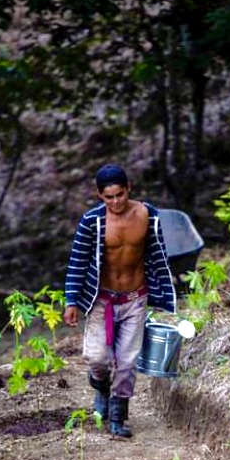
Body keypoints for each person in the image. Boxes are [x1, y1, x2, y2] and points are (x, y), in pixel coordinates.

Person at [63, 164, 176, 438]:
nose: (115, 202)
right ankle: (101, 387)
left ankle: (118, 417)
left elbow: (157, 255)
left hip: (135, 297)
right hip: (102, 299)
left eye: (120, 195)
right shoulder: (92, 221)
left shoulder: (148, 215)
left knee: (127, 361)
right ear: (99, 195)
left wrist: (164, 291)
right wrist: (72, 301)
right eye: (109, 197)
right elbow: (78, 261)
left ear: (129, 188)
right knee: (97, 359)